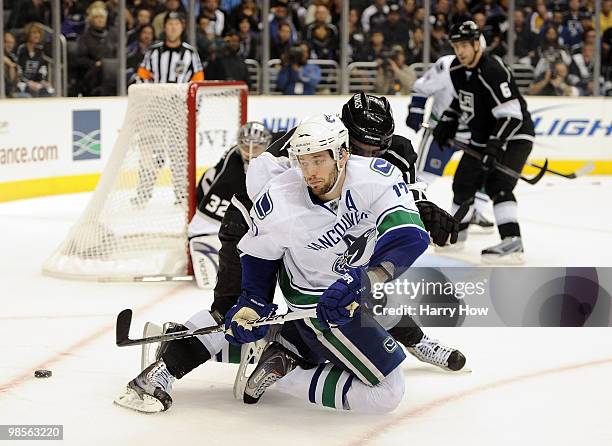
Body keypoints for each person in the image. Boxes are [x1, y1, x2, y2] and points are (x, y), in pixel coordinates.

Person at [114, 99, 466, 414]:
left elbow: (391, 193)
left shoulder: (388, 155)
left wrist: (423, 208)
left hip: (327, 232)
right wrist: (255, 296)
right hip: (258, 226)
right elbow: (267, 215)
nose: (367, 155)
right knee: (238, 313)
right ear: (342, 140)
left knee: (362, 294)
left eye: (377, 147)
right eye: (360, 147)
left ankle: (299, 352)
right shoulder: (295, 159)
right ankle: (166, 367)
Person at [227, 114, 429, 411]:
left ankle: (275, 353)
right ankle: (288, 375)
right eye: (303, 161)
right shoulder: (280, 198)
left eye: (318, 160)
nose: (310, 172)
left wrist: (367, 279)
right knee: (388, 393)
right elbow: (260, 254)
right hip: (311, 295)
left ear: (342, 155)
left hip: (354, 288)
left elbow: (410, 236)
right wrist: (253, 301)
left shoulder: (376, 177)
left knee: (322, 349)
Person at [432, 21, 535, 264]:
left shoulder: (493, 69)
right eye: (456, 46)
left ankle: (513, 242)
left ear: (477, 44)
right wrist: (448, 119)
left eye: (465, 45)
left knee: (498, 184)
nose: (460, 51)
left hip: (514, 135)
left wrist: (496, 145)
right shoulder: (457, 69)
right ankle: (457, 234)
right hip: (483, 138)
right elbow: (463, 99)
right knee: (463, 182)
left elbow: (512, 115)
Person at [406, 47, 495, 235]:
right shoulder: (446, 66)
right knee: (424, 175)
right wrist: (416, 109)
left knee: (484, 174)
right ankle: (405, 211)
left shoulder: (489, 70)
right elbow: (422, 87)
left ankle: (475, 212)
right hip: (442, 131)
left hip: (473, 134)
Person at [188, 121, 272, 289]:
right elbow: (209, 190)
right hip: (216, 222)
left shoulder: (274, 160)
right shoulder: (232, 165)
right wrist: (201, 232)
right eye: (245, 146)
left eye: (255, 147)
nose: (249, 152)